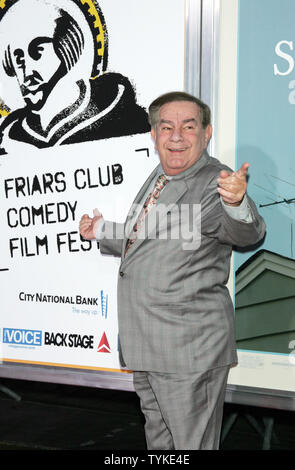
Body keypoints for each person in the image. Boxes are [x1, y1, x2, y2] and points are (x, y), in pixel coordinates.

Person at [79, 91, 266, 450]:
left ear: (207, 133)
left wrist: (239, 202)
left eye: (188, 126)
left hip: (188, 352)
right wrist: (102, 231)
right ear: (154, 134)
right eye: (167, 126)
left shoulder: (216, 183)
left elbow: (248, 231)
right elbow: (157, 238)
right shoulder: (161, 175)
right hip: (148, 347)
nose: (176, 136)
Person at [0, 0, 149, 151]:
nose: (27, 73)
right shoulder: (9, 138)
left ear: (66, 50)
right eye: (19, 60)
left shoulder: (119, 115)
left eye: (38, 53)